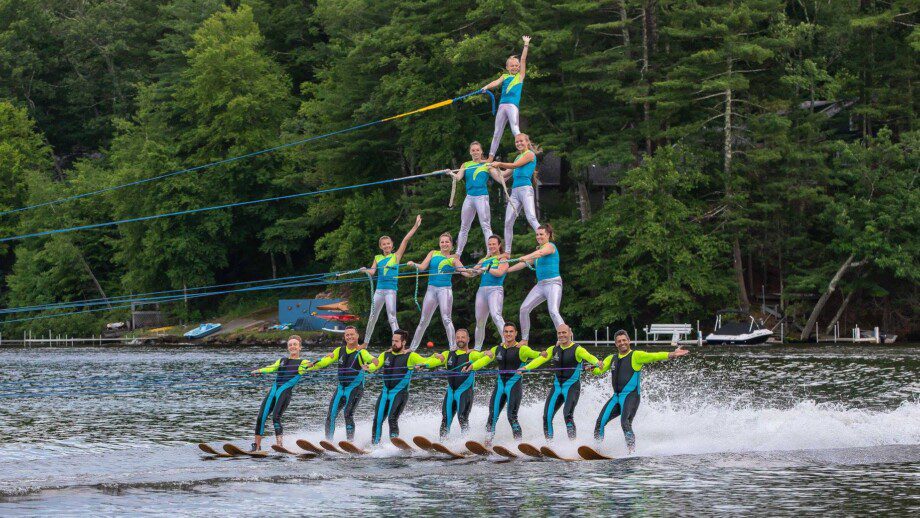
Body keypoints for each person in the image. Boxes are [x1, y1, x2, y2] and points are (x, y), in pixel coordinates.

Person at [593, 330, 690, 453]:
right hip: (616, 397)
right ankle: (597, 450)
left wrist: (672, 354)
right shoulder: (611, 358)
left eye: (624, 340)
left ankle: (631, 452)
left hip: (631, 397)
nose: (622, 343)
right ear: (615, 344)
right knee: (599, 422)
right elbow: (598, 371)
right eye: (619, 341)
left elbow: (654, 356)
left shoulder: (636, 355)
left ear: (629, 341)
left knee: (625, 423)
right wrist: (593, 367)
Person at [520, 324, 602, 440]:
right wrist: (525, 368)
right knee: (547, 417)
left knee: (567, 415)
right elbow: (539, 360)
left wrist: (597, 362)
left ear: (570, 333)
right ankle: (550, 445)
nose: (562, 335)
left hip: (572, 387)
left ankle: (572, 445)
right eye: (559, 333)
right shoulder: (553, 349)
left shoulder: (577, 349)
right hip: (557, 387)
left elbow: (589, 357)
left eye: (564, 332)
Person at [467, 322, 544, 442]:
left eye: (511, 331)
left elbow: (536, 355)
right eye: (506, 331)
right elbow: (484, 360)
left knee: (511, 417)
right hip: (500, 386)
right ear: (503, 333)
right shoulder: (497, 348)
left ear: (516, 333)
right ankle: (487, 443)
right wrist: (472, 366)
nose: (508, 334)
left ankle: (519, 444)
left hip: (514, 385)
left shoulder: (522, 349)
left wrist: (535, 360)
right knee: (492, 416)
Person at [365, 330, 439, 445]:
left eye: (396, 341)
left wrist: (435, 357)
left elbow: (426, 361)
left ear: (403, 342)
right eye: (393, 340)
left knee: (392, 419)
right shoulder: (385, 354)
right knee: (377, 420)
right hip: (385, 393)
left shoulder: (411, 356)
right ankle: (375, 446)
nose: (394, 343)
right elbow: (375, 365)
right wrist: (368, 367)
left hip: (400, 393)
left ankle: (394, 446)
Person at [307, 326, 378, 442]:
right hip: (341, 389)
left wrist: (372, 363)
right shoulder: (339, 351)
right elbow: (325, 362)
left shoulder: (362, 352)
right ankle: (328, 442)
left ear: (357, 336)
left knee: (347, 414)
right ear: (344, 337)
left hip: (355, 388)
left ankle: (350, 443)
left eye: (352, 334)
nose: (349, 337)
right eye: (347, 335)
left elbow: (372, 360)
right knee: (331, 415)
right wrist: (313, 365)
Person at [362, 214, 422, 344]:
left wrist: (415, 226)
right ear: (380, 246)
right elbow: (372, 272)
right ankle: (365, 343)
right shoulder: (377, 258)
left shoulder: (396, 256)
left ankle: (398, 343)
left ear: (392, 245)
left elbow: (405, 240)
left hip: (390, 291)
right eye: (383, 244)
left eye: (388, 244)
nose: (386, 246)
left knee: (392, 317)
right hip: (378, 291)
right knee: (372, 317)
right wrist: (365, 270)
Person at [249, 335, 313, 451]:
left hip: (285, 393)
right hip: (273, 392)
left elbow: (313, 365)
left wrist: (311, 365)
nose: (292, 346)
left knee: (275, 417)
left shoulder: (303, 362)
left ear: (300, 347)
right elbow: (271, 368)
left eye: (295, 344)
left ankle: (279, 446)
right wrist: (258, 371)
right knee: (260, 418)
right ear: (288, 347)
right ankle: (256, 447)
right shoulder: (282, 361)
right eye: (290, 345)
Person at [406, 233, 466, 351]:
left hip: (445, 291)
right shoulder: (433, 253)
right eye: (442, 242)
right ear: (439, 244)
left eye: (447, 242)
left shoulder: (454, 259)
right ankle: (412, 349)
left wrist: (476, 271)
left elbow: (466, 273)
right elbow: (422, 267)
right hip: (431, 290)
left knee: (446, 319)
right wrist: (414, 264)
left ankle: (453, 348)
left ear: (451, 245)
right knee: (423, 320)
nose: (444, 244)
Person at [428, 329, 492, 438]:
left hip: (465, 391)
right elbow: (434, 361)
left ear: (468, 339)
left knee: (462, 417)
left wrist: (486, 353)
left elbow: (484, 357)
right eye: (458, 337)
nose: (460, 339)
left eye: (463, 337)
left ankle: (466, 443)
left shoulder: (472, 354)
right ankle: (442, 442)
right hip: (450, 392)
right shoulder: (448, 354)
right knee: (445, 418)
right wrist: (427, 362)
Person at [506, 224, 563, 344]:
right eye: (537, 234)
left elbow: (539, 254)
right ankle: (525, 339)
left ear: (548, 235)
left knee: (553, 310)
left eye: (541, 234)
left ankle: (564, 338)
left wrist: (524, 257)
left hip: (553, 283)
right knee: (524, 309)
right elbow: (525, 263)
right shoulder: (538, 251)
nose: (538, 236)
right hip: (541, 285)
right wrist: (507, 270)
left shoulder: (550, 247)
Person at [480, 35, 531, 162]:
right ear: (507, 67)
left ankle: (524, 151)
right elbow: (495, 83)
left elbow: (523, 59)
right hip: (502, 106)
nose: (515, 67)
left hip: (512, 106)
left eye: (516, 66)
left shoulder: (520, 77)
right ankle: (490, 157)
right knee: (497, 132)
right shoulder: (504, 76)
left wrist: (526, 44)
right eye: (512, 66)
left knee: (515, 127)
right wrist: (486, 87)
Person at [448, 141, 502, 257]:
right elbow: (458, 178)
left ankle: (490, 252)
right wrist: (451, 173)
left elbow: (499, 178)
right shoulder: (465, 165)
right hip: (470, 197)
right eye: (473, 150)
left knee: (485, 225)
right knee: (464, 226)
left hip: (482, 197)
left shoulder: (487, 164)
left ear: (481, 151)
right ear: (470, 152)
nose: (475, 152)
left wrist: (511, 169)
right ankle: (458, 253)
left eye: (477, 150)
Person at [489, 133, 540, 253]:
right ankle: (507, 252)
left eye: (521, 141)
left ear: (527, 142)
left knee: (531, 217)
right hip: (515, 192)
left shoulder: (530, 155)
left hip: (526, 189)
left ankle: (544, 241)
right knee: (508, 222)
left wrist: (499, 163)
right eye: (517, 142)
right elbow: (503, 176)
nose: (519, 143)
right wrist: (490, 169)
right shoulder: (518, 157)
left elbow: (515, 165)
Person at [470, 235, 508, 351]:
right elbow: (472, 272)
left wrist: (487, 268)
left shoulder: (503, 259)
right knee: (480, 321)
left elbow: (500, 272)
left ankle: (506, 342)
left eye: (493, 244)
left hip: (495, 289)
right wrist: (458, 268)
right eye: (489, 244)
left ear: (499, 245)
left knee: (496, 316)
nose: (491, 246)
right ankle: (477, 348)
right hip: (482, 291)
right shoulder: (484, 260)